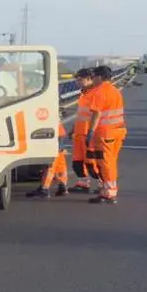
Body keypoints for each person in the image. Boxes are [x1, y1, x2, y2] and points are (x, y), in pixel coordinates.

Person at [31, 69, 94, 197]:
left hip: (51, 131)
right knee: (60, 160)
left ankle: (45, 188)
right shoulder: (82, 94)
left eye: (79, 79)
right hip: (59, 131)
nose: (77, 82)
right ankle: (62, 185)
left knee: (51, 161)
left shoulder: (42, 96)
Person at [82, 65, 128, 204]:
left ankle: (108, 193)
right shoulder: (115, 90)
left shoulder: (100, 92)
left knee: (104, 163)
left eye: (94, 76)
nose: (92, 79)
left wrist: (90, 131)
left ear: (100, 77)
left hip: (105, 133)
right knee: (111, 162)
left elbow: (96, 113)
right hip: (118, 130)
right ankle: (111, 190)